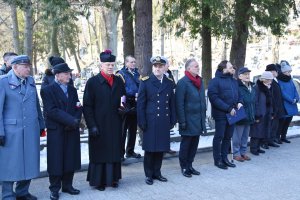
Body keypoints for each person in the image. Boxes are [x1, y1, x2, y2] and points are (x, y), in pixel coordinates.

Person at [0, 55, 45, 200]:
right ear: (14, 67)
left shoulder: (30, 81)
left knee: (30, 162)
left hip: (30, 129)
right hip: (11, 131)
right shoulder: (3, 82)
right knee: (10, 163)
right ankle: (7, 194)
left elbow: (36, 104)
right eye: (25, 66)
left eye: (29, 66)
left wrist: (41, 124)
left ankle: (22, 192)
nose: (28, 69)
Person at [83, 50, 125, 191]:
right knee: (99, 152)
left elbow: (123, 99)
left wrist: (123, 108)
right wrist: (91, 125)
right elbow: (87, 106)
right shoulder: (93, 82)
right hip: (99, 124)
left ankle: (112, 179)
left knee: (113, 151)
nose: (110, 67)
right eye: (107, 64)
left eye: (112, 64)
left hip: (115, 123)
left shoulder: (119, 81)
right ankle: (99, 181)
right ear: (101, 65)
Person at [40, 63, 82, 200]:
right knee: (56, 159)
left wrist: (75, 121)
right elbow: (51, 111)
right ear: (57, 76)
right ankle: (54, 189)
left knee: (70, 157)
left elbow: (77, 106)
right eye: (66, 74)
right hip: (57, 130)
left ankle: (68, 185)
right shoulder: (47, 90)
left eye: (69, 73)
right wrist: (71, 120)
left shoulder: (72, 90)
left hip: (71, 129)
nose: (69, 76)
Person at [137, 56, 176, 185]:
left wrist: (173, 119)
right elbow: (141, 104)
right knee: (149, 149)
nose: (158, 68)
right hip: (150, 120)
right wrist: (141, 120)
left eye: (160, 66)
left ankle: (157, 172)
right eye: (155, 66)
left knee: (160, 148)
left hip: (164, 120)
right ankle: (149, 175)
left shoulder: (169, 82)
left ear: (164, 67)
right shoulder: (146, 81)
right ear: (152, 67)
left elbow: (172, 103)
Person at [207, 60, 243, 169]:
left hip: (233, 113)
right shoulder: (214, 81)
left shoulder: (233, 81)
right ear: (224, 69)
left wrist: (240, 102)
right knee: (219, 137)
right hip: (221, 114)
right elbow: (214, 98)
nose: (232, 68)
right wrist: (228, 108)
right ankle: (217, 160)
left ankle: (225, 158)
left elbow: (239, 94)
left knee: (228, 137)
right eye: (230, 67)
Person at [175, 58, 206, 177]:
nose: (198, 67)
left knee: (194, 144)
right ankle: (184, 167)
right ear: (188, 69)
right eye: (195, 66)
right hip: (187, 119)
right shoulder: (183, 82)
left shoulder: (199, 81)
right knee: (186, 144)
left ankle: (190, 165)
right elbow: (179, 103)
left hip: (198, 119)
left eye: (198, 66)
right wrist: (182, 120)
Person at [116, 55, 141, 160]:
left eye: (134, 62)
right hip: (125, 102)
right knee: (123, 129)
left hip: (135, 102)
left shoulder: (137, 74)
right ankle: (120, 154)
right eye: (131, 62)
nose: (133, 64)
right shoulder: (120, 74)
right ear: (126, 63)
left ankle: (130, 151)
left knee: (133, 128)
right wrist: (122, 107)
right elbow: (119, 91)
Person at [232, 67, 255, 162]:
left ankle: (243, 152)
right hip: (240, 115)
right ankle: (236, 154)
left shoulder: (251, 86)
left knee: (245, 136)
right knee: (237, 137)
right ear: (239, 76)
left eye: (248, 74)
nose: (247, 76)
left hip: (250, 114)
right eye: (245, 74)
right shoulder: (236, 86)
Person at [249, 71, 273, 155]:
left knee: (262, 131)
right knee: (256, 132)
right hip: (259, 113)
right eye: (269, 79)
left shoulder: (268, 87)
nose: (271, 81)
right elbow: (255, 102)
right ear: (264, 79)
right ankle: (253, 148)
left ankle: (258, 147)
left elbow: (269, 101)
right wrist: (257, 115)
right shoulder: (257, 88)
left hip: (266, 112)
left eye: (271, 79)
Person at [277, 61, 299, 143]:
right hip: (285, 104)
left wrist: (296, 98)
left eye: (290, 72)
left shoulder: (290, 80)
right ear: (283, 72)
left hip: (292, 104)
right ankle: (278, 137)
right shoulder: (280, 81)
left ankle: (283, 136)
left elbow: (295, 90)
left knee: (288, 121)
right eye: (288, 72)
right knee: (282, 122)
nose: (289, 73)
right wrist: (291, 100)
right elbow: (283, 93)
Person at [265, 64, 285, 146]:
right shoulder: (270, 82)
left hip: (278, 107)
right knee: (270, 126)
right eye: (273, 71)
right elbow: (271, 97)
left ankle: (272, 140)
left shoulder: (275, 80)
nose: (275, 72)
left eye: (275, 71)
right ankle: (266, 142)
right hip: (273, 108)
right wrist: (273, 109)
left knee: (274, 126)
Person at [161, 56, 177, 155]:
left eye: (168, 65)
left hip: (169, 103)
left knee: (167, 129)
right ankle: (161, 149)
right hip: (161, 105)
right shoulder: (158, 75)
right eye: (166, 64)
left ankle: (167, 147)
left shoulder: (169, 75)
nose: (168, 66)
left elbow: (173, 86)